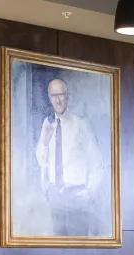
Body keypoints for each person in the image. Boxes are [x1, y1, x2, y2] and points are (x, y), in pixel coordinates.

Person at [35, 78, 107, 237]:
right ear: (49, 97)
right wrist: (45, 143)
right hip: (56, 199)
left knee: (78, 251)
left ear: (67, 96)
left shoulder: (80, 125)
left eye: (61, 94)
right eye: (54, 95)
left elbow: (97, 163)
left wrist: (89, 192)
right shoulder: (47, 124)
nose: (58, 100)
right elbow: (41, 161)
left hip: (77, 198)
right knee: (59, 254)